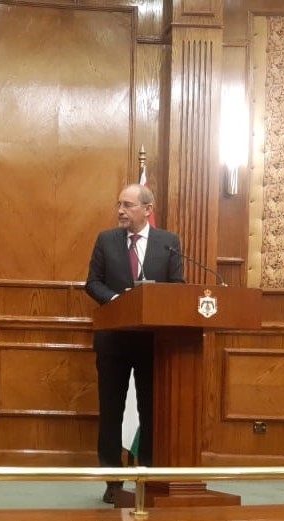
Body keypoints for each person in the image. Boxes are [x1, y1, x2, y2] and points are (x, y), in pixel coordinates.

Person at [85, 183, 184, 504]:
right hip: (114, 339)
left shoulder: (169, 243)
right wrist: (119, 302)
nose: (120, 211)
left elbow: (177, 287)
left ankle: (149, 477)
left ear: (147, 209)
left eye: (128, 205)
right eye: (119, 205)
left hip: (151, 342)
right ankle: (113, 482)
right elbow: (93, 283)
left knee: (151, 411)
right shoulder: (106, 240)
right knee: (111, 411)